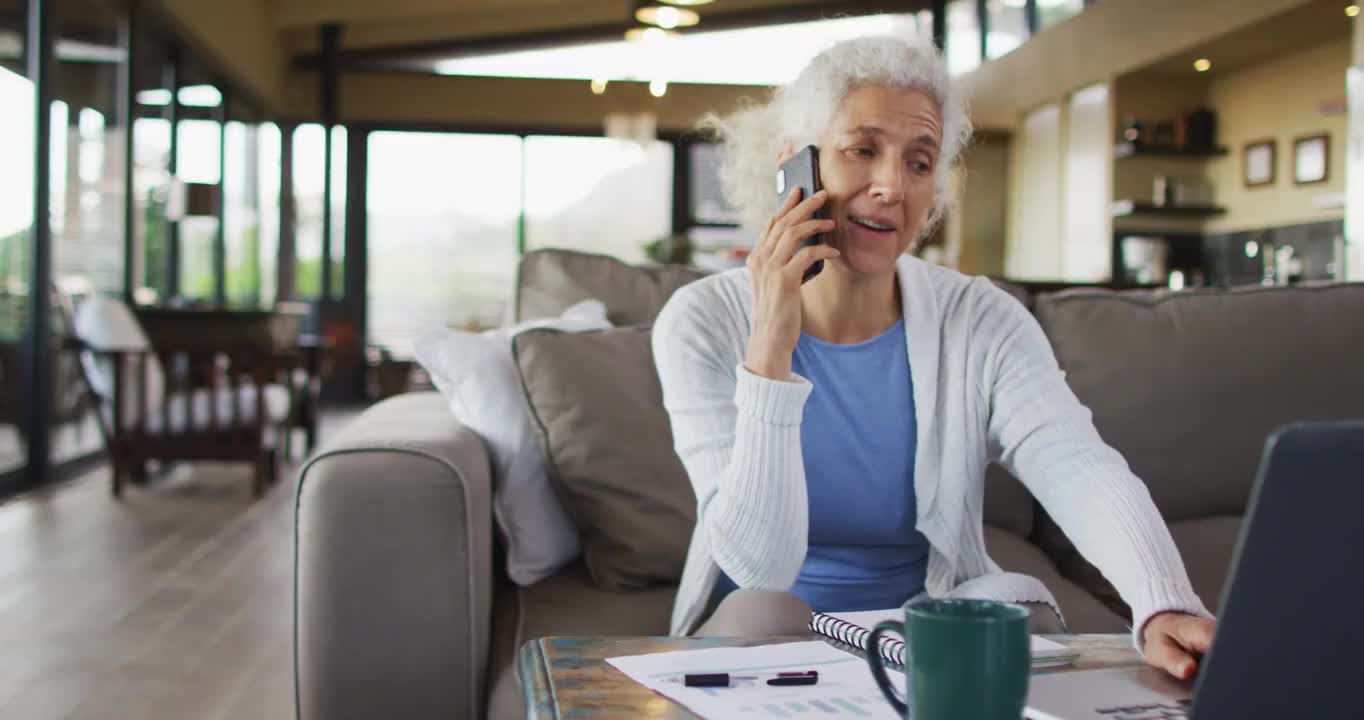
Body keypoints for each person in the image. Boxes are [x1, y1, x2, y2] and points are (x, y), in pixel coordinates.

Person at [651, 35, 1215, 681]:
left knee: (1015, 610)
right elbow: (760, 568)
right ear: (795, 167)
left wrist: (1164, 603)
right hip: (760, 629)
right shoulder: (702, 321)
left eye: (919, 163)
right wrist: (771, 350)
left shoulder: (980, 317)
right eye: (862, 151)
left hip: (924, 620)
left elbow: (1074, 461)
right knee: (765, 611)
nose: (892, 186)